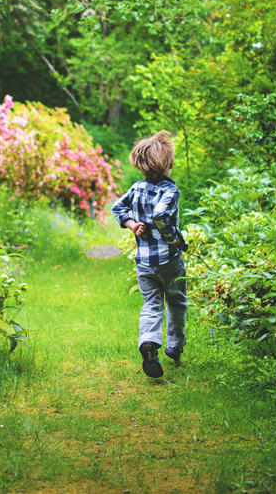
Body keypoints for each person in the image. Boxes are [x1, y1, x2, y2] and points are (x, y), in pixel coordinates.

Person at [111, 130, 188, 378]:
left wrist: (131, 224)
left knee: (151, 303)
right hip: (169, 260)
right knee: (176, 302)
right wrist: (174, 238)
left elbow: (117, 207)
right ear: (170, 164)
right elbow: (160, 216)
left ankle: (148, 342)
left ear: (140, 165)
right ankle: (174, 347)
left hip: (143, 262)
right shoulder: (171, 191)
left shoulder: (136, 188)